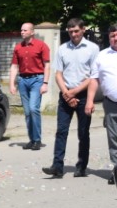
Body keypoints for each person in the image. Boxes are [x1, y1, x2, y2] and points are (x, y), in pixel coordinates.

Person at [42, 18, 100, 178]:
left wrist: (74, 92)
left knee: (83, 132)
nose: (73, 34)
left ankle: (81, 166)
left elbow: (94, 76)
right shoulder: (62, 49)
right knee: (61, 131)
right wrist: (67, 94)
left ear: (83, 30)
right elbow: (58, 74)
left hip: (83, 94)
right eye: (70, 31)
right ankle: (57, 166)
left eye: (76, 31)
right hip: (65, 94)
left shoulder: (93, 48)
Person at [9, 23, 51, 151]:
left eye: (25, 30)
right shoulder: (18, 47)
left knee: (33, 109)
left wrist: (45, 83)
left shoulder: (41, 45)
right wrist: (12, 83)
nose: (22, 32)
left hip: (37, 79)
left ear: (32, 32)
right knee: (27, 112)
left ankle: (37, 140)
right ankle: (32, 139)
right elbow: (14, 66)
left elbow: (47, 65)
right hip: (23, 80)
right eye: (21, 30)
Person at [86, 23, 117, 187]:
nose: (115, 38)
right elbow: (94, 79)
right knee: (114, 138)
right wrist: (90, 100)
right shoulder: (102, 56)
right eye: (112, 36)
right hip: (111, 103)